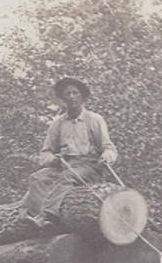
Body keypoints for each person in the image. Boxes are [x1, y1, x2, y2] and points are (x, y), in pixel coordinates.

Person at [21, 76, 119, 226]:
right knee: (37, 178)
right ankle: (38, 219)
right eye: (68, 94)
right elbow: (45, 152)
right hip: (63, 165)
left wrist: (107, 157)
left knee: (67, 177)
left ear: (82, 97)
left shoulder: (94, 119)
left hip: (89, 167)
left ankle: (48, 216)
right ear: (62, 98)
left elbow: (108, 147)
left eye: (75, 93)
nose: (72, 97)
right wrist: (54, 159)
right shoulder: (58, 123)